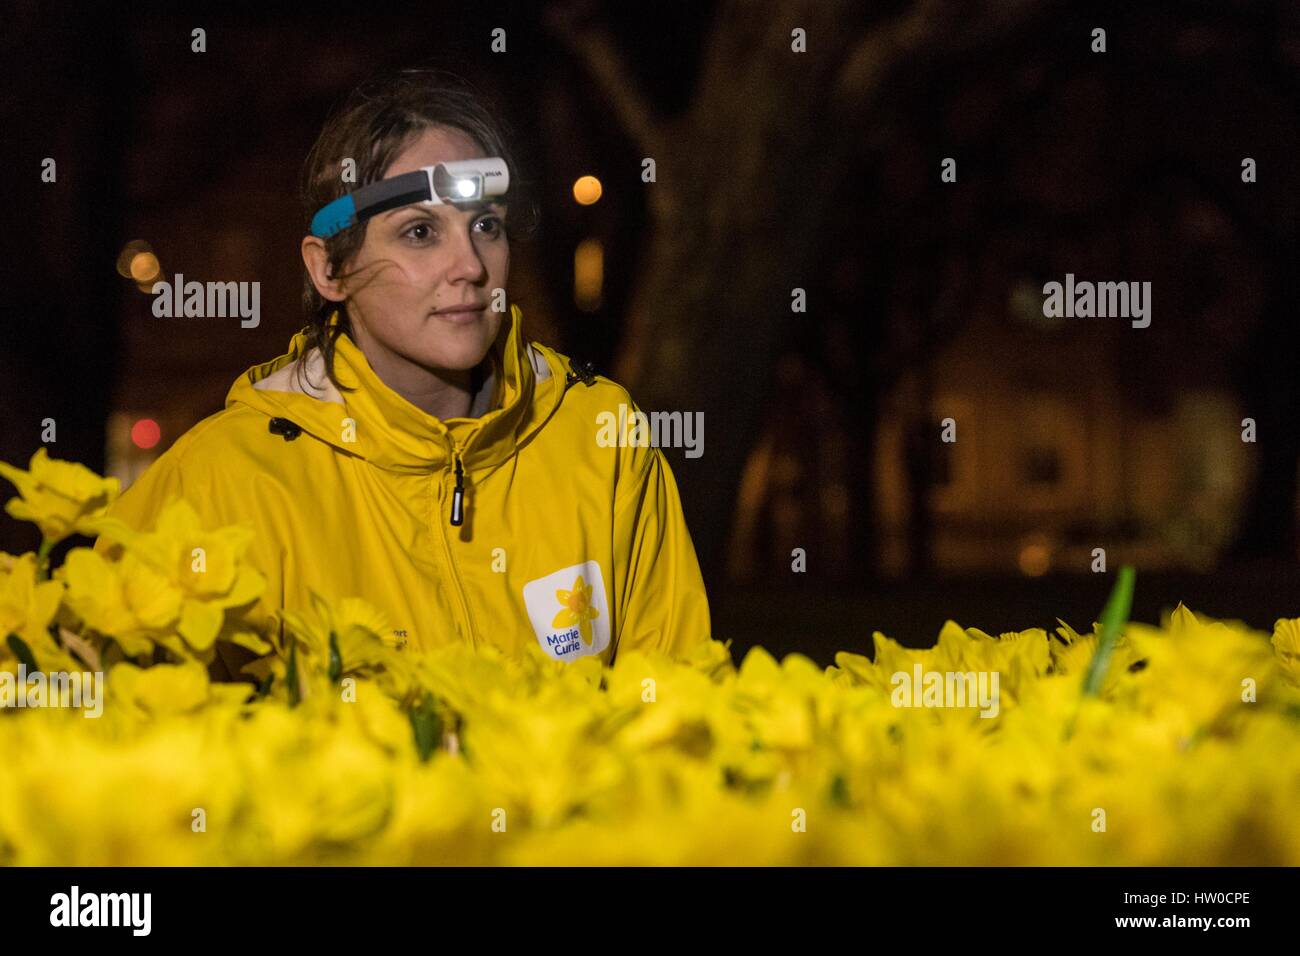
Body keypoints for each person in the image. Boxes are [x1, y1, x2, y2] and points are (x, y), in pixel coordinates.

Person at [99, 68, 713, 680]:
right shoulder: (218, 483)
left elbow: (683, 711)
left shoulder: (602, 441)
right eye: (420, 232)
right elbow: (101, 726)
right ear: (328, 270)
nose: (469, 265)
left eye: (485, 225)